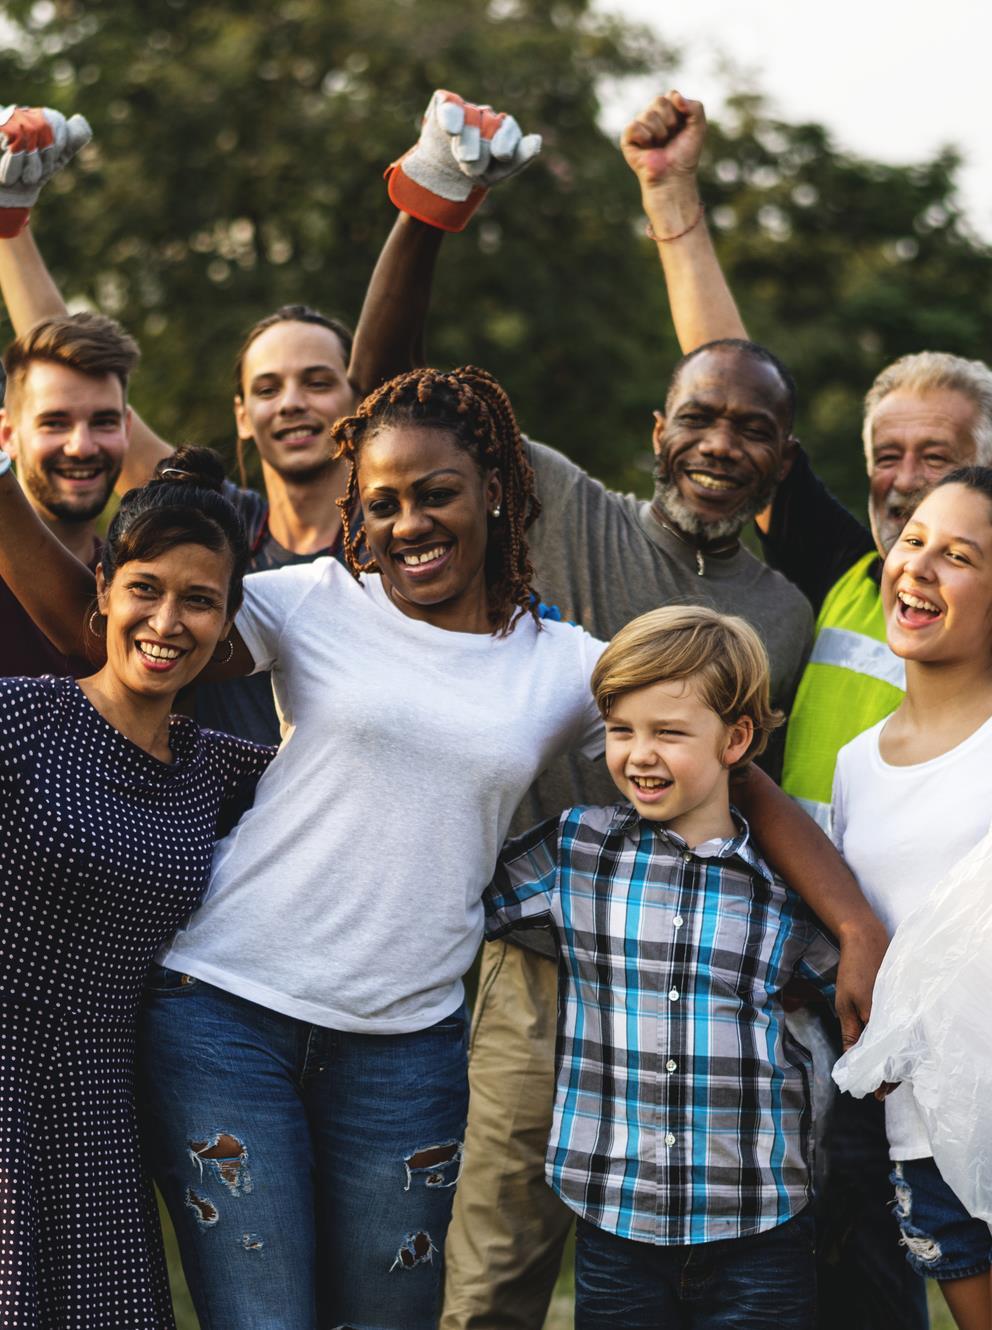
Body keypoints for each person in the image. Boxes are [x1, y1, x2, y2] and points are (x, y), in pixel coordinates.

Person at [351, 89, 889, 1328]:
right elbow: (386, 400)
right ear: (658, 430)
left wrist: (849, 925)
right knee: (491, 1271)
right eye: (698, 416)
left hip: (699, 967)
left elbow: (749, 781)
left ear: (779, 459)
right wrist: (432, 203)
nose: (720, 442)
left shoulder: (786, 613)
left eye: (753, 429)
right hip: (547, 954)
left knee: (685, 1277)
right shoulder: (563, 507)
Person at [633, 94, 992, 1330]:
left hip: (965, 1020)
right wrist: (672, 204)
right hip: (817, 994)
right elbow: (732, 393)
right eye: (883, 454)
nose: (899, 485)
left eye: (934, 459)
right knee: (847, 1279)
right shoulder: (845, 566)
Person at [0, 95, 542, 744]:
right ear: (243, 416)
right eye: (267, 387)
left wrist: (428, 207)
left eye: (318, 381)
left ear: (358, 406)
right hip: (218, 829)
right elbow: (65, 375)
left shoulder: (403, 539)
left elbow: (388, 367)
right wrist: (12, 226)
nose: (291, 402)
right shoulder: (216, 523)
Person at [484, 605, 838, 1330]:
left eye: (669, 733)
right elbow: (452, 898)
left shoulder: (788, 885)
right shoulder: (575, 850)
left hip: (760, 1222)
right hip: (615, 1220)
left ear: (736, 738)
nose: (638, 755)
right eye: (620, 731)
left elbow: (855, 996)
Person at [0, 444, 274, 1328]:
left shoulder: (216, 771)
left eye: (200, 600)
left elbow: (354, 781)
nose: (168, 621)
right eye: (146, 588)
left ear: (228, 622)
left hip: (98, 1115)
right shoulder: (22, 719)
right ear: (105, 589)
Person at [829, 468, 992, 1330]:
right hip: (924, 1142)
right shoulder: (856, 765)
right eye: (915, 540)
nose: (919, 565)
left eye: (958, 555)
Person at [0, 310, 138, 676]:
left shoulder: (141, 591)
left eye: (103, 422)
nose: (81, 446)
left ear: (126, 429)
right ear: (7, 434)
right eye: (55, 423)